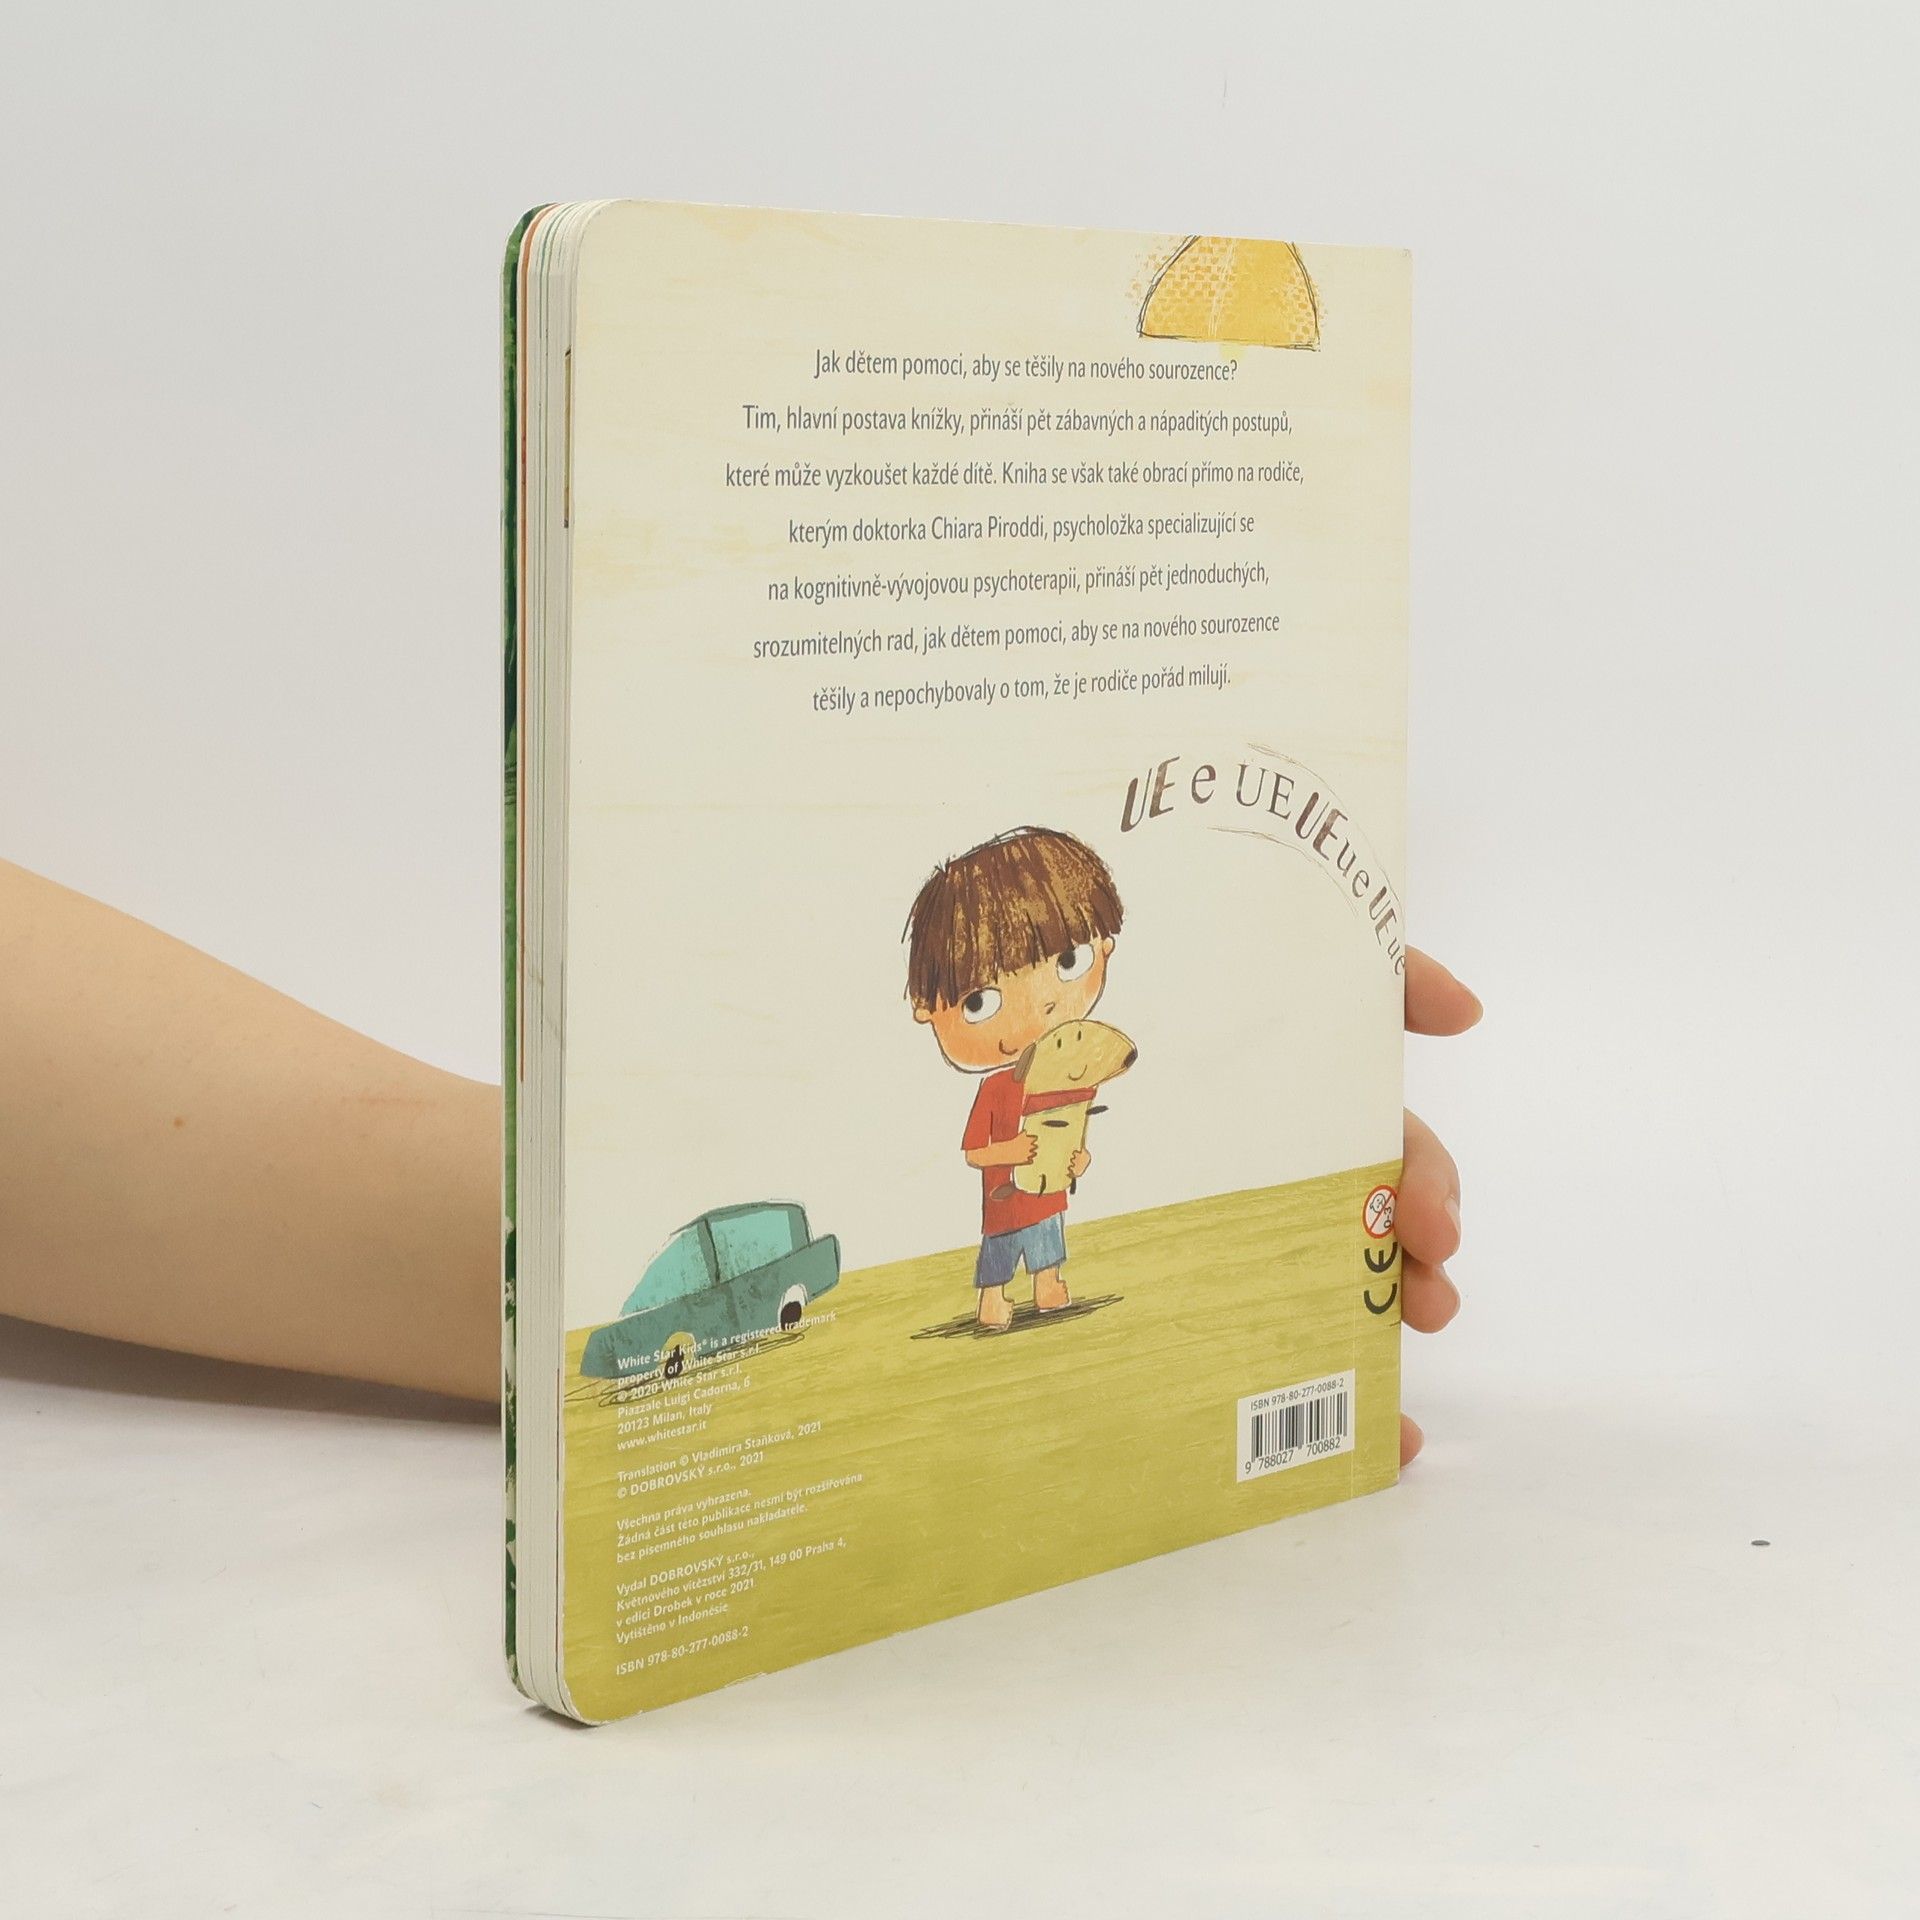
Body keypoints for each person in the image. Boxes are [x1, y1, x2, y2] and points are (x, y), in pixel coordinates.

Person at [0, 855, 1476, 1463]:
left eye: (1073, 964)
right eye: (983, 992)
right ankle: (1011, 1307)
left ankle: (1032, 1301)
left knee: (1042, 1254)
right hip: (985, 1207)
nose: (1035, 1004)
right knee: (1011, 1256)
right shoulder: (976, 1104)